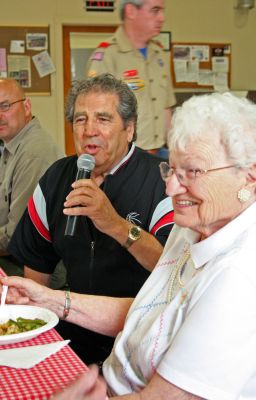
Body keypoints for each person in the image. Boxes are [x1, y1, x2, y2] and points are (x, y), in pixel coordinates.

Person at [3, 91, 256, 399]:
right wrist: (48, 300)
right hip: (108, 377)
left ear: (249, 177)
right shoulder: (194, 225)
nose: (170, 187)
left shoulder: (242, 275)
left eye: (192, 171)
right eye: (170, 169)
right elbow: (149, 311)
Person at [7, 73, 174, 365]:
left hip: (143, 333)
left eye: (103, 119)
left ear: (130, 129)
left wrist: (115, 224)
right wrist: (33, 327)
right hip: (75, 326)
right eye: (80, 119)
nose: (89, 130)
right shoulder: (57, 177)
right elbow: (36, 262)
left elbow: (171, 266)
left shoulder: (162, 179)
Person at [87, 0, 176, 157]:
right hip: (125, 157)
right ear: (131, 11)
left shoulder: (159, 53)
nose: (162, 18)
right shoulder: (107, 55)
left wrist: (176, 150)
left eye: (162, 11)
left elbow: (166, 108)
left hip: (161, 153)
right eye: (155, 10)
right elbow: (96, 118)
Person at [0, 78, 64, 280]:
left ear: (26, 106)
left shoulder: (33, 152)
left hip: (39, 271)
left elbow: (16, 237)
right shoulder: (12, 145)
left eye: (5, 106)